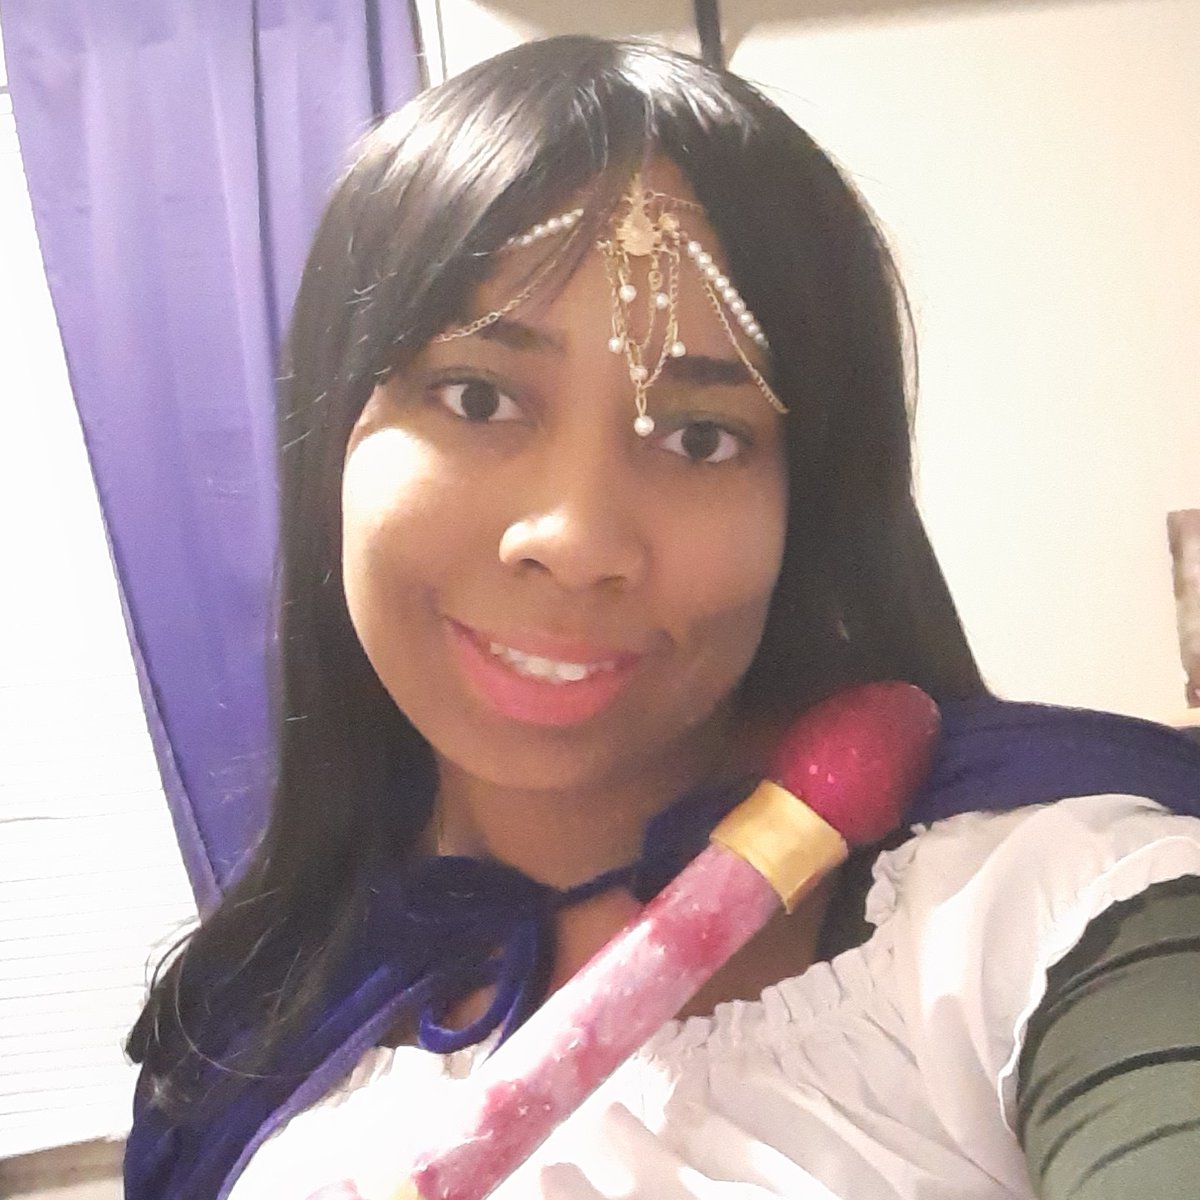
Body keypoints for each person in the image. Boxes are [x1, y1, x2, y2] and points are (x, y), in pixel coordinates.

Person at [124, 36, 1200, 1200]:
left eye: (701, 436)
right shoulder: (245, 1025)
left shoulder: (1044, 910)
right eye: (478, 397)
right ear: (333, 433)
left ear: (809, 505)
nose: (577, 537)